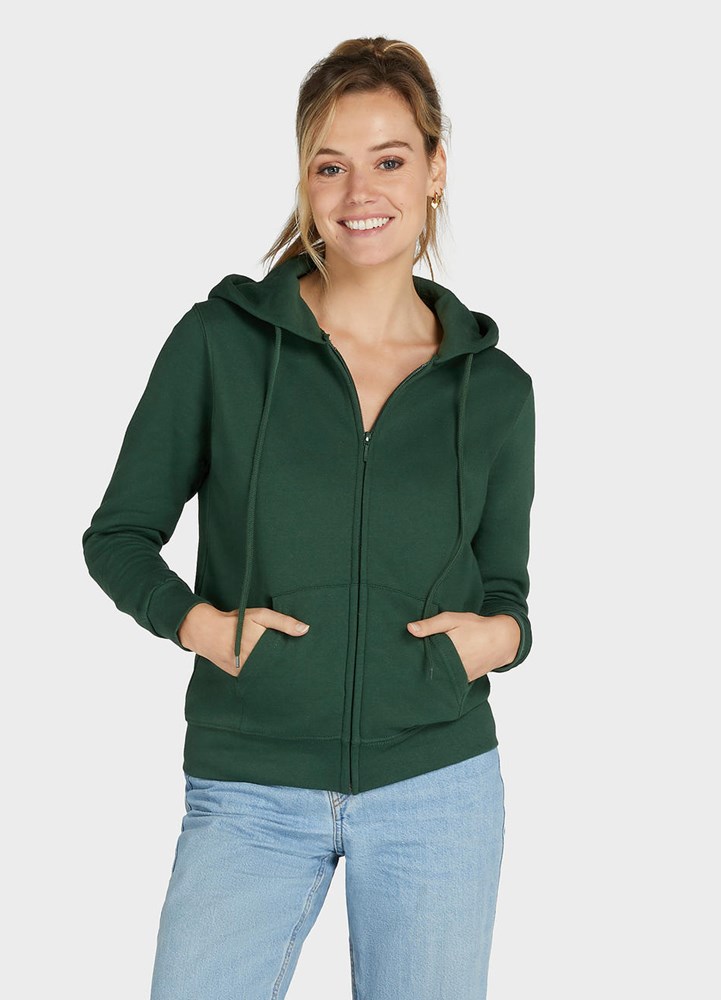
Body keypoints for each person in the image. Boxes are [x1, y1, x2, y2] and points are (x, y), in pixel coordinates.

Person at [82, 36, 536, 1000]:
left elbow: (505, 588)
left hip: (437, 791)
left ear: (435, 170)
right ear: (303, 182)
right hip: (249, 785)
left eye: (389, 160)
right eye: (330, 166)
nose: (358, 191)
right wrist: (202, 627)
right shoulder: (221, 343)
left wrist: (499, 639)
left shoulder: (494, 388)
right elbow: (118, 534)